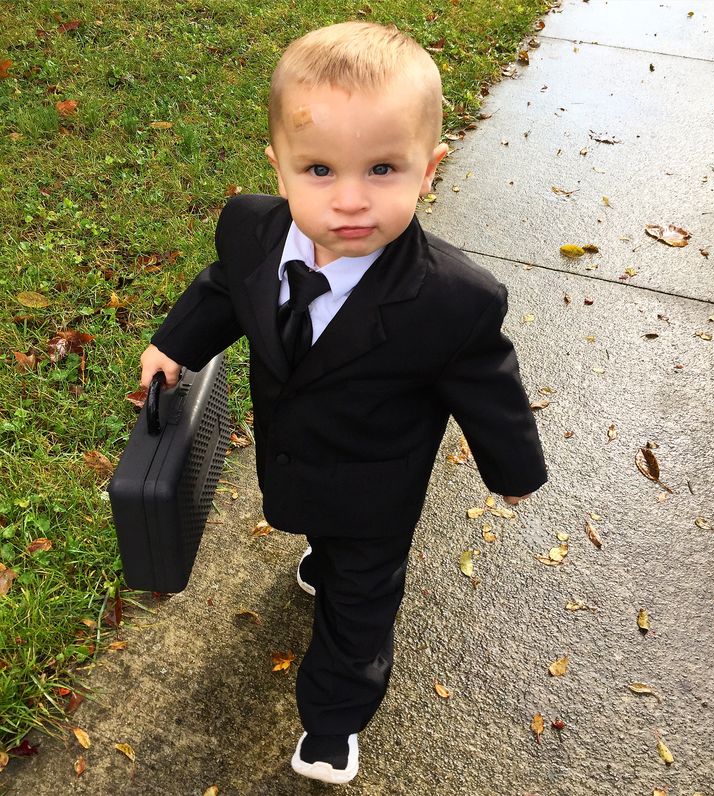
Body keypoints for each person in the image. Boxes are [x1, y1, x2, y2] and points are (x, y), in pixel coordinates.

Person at [139, 21, 547, 785]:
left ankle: (333, 722)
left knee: (359, 610)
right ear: (280, 166)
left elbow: (490, 387)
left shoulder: (451, 300)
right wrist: (176, 345)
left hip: (377, 487)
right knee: (320, 539)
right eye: (320, 169)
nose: (351, 200)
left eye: (384, 168)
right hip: (295, 459)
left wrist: (513, 467)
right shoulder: (251, 231)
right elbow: (226, 291)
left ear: (430, 169)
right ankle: (319, 558)